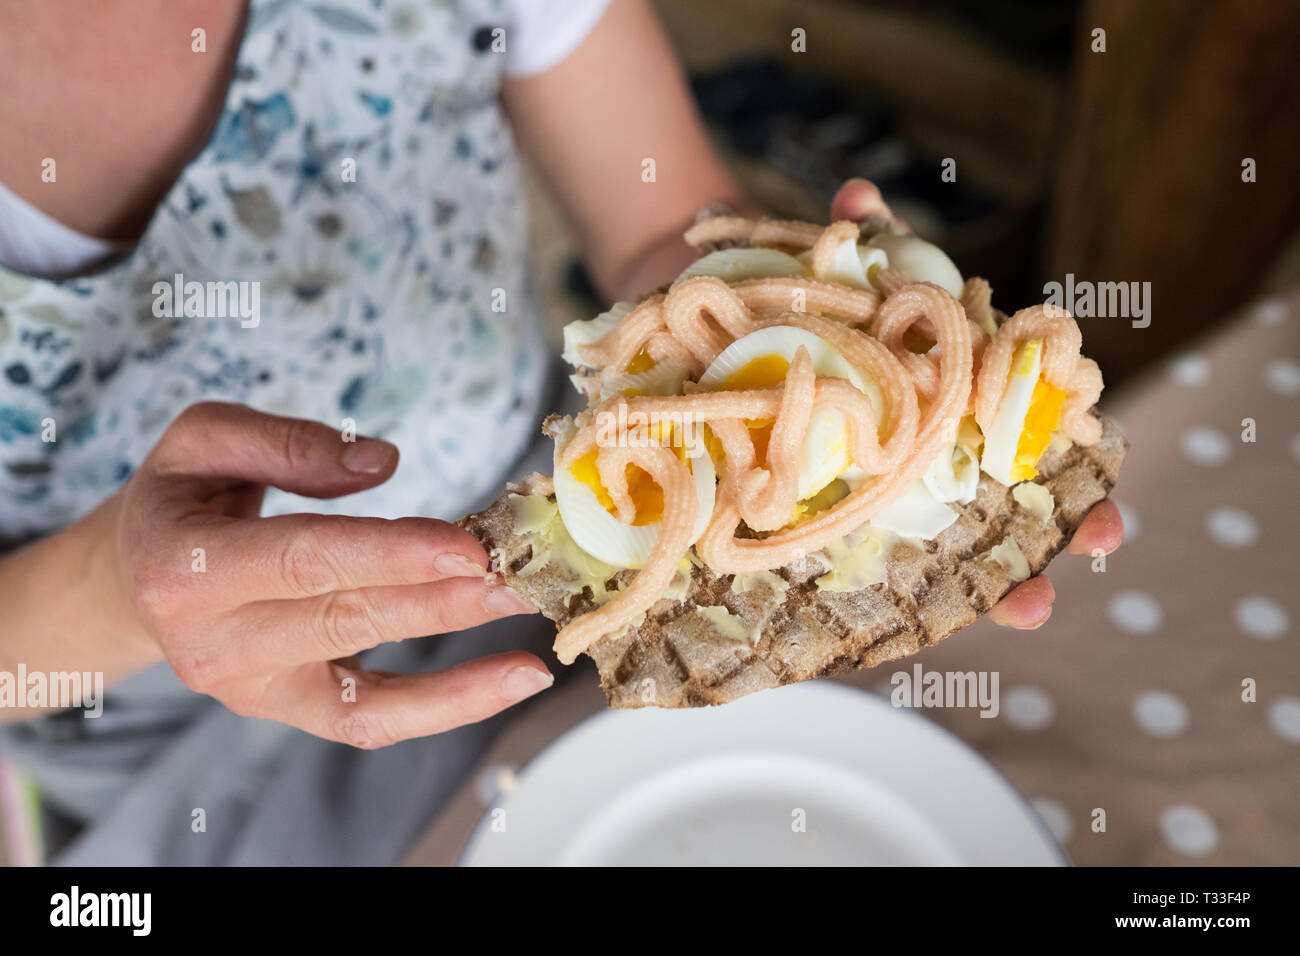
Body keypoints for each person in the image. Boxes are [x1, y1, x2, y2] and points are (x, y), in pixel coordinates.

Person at [0, 0, 1120, 863]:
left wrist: (790, 328)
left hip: (568, 549)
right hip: (146, 708)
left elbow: (654, 228)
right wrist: (118, 587)